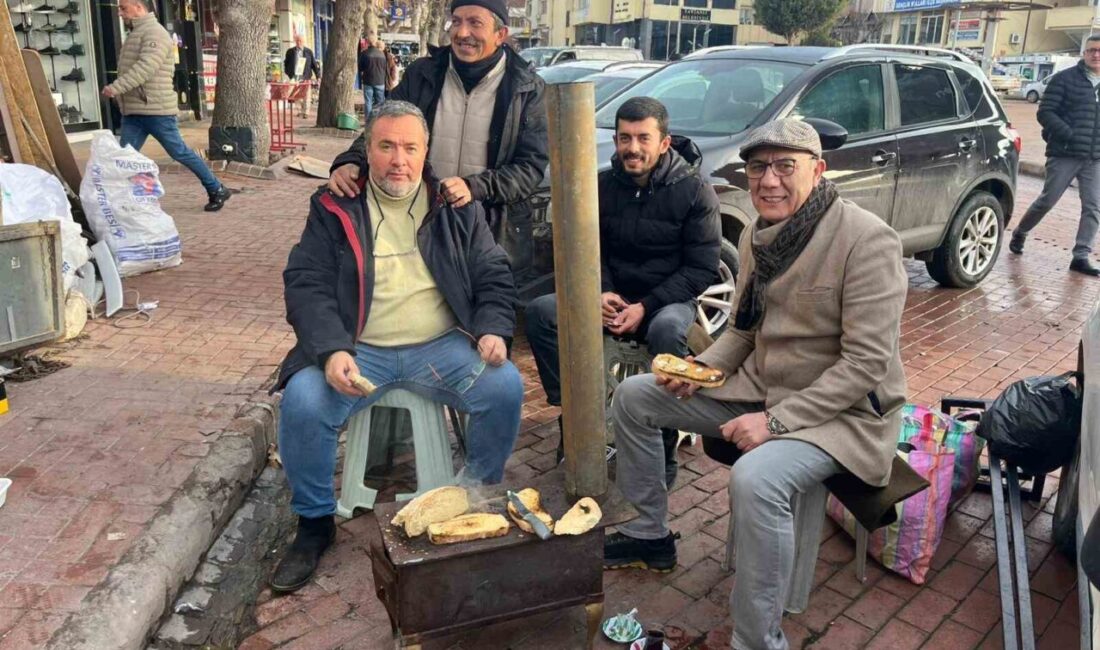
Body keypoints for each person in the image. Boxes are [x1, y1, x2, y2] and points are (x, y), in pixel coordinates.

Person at [605, 118, 908, 650]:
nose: (768, 180)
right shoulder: (753, 235)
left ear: (819, 170)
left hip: (845, 416)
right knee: (634, 397)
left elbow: (864, 366)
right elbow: (743, 329)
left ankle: (758, 639)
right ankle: (649, 533)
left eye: (785, 166)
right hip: (763, 389)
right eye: (758, 167)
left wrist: (774, 423)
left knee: (757, 479)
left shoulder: (866, 241)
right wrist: (703, 373)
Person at [270, 101, 524, 593]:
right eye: (386, 146)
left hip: (441, 347)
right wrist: (330, 350)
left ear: (427, 151)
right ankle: (314, 523)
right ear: (366, 150)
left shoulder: (454, 206)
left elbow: (493, 272)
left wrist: (493, 327)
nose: (398, 160)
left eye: (410, 147)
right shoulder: (335, 205)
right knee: (302, 401)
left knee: (504, 386)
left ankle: (474, 494)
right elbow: (307, 283)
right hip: (360, 350)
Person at [524, 97, 720, 485]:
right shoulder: (602, 186)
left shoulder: (696, 191)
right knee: (542, 313)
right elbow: (590, 251)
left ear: (664, 143)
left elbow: (701, 269)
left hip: (666, 300)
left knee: (666, 330)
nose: (633, 148)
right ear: (615, 140)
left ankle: (663, 446)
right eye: (625, 138)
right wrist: (600, 291)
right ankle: (577, 413)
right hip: (612, 296)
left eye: (643, 138)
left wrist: (646, 307)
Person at [330, 0, 548, 284]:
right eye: (456, 21)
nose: (461, 32)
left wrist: (474, 186)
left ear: (500, 34)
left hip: (492, 232)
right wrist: (352, 160)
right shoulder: (424, 73)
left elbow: (530, 167)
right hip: (420, 222)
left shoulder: (526, 88)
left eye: (475, 23)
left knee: (484, 316)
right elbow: (382, 126)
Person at [102, 0, 230, 212]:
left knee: (179, 152)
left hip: (155, 111)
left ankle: (216, 188)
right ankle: (118, 201)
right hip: (135, 111)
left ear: (138, 7)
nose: (120, 13)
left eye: (123, 8)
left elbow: (146, 68)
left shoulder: (154, 34)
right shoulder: (137, 32)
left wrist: (116, 88)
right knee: (123, 156)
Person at [1010, 34, 1100, 277]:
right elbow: (1046, 113)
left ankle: (1081, 255)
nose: (1096, 55)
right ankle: (1021, 231)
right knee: (1048, 200)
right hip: (1065, 153)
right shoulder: (1064, 79)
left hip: (1095, 158)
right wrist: (1068, 134)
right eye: (1092, 50)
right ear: (1084, 53)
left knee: (1093, 206)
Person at [283, 33, 321, 119]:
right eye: (297, 41)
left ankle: (306, 112)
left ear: (303, 42)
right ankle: (300, 111)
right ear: (295, 41)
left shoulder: (308, 52)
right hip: (295, 76)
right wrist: (289, 73)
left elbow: (314, 65)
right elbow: (286, 63)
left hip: (306, 75)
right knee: (296, 94)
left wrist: (318, 76)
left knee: (307, 95)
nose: (298, 42)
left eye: (300, 41)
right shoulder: (290, 52)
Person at [358, 36, 387, 118]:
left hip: (368, 81)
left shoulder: (365, 53)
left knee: (368, 102)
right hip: (380, 81)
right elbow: (384, 67)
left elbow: (360, 68)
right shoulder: (382, 54)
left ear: (367, 42)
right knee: (380, 102)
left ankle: (368, 121)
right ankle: (379, 120)